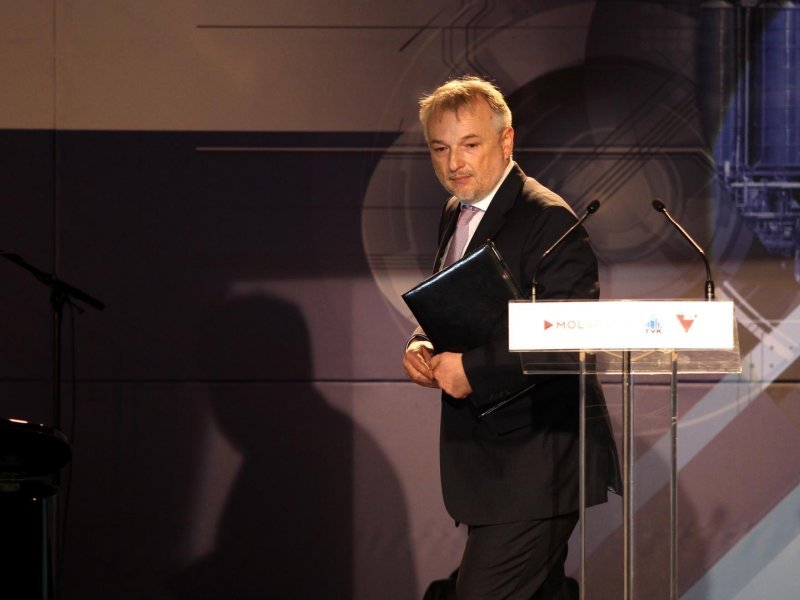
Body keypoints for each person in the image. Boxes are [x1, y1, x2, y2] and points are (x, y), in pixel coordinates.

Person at [402, 76, 620, 599]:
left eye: (469, 145)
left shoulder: (548, 219)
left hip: (537, 465)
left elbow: (568, 337)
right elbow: (457, 301)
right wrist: (422, 340)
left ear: (506, 141)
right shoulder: (456, 210)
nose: (454, 163)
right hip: (493, 466)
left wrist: (472, 370)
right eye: (440, 148)